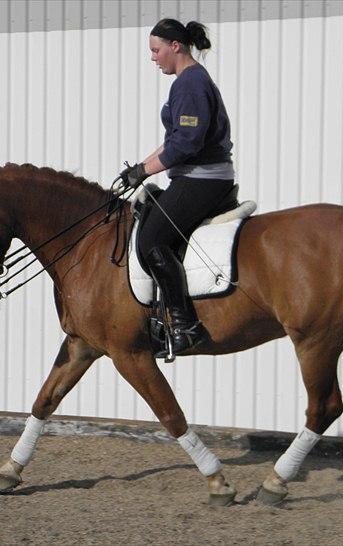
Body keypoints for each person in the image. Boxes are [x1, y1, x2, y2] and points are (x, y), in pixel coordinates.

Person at [120, 18, 235, 355]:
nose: (153, 58)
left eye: (156, 51)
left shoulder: (190, 83)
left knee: (151, 239)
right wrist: (140, 169)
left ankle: (184, 325)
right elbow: (172, 142)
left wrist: (145, 169)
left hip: (202, 179)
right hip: (196, 176)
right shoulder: (188, 82)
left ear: (176, 46)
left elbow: (186, 145)